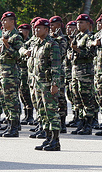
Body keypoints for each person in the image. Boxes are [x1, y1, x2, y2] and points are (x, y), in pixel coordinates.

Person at [30, 18, 62, 151]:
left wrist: (55, 84)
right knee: (42, 112)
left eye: (39, 28)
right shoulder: (37, 44)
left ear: (47, 30)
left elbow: (56, 66)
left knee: (51, 112)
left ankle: (55, 140)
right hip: (37, 82)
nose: (36, 30)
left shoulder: (52, 44)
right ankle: (48, 138)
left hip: (48, 83)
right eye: (35, 28)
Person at [0, 12, 24, 137]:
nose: (3, 23)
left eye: (5, 20)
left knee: (12, 100)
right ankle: (9, 124)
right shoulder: (3, 35)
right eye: (2, 20)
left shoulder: (16, 37)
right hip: (2, 73)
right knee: (4, 100)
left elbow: (19, 56)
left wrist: (6, 44)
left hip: (11, 73)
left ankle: (14, 127)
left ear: (12, 21)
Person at [70, 14, 96, 135]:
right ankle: (81, 123)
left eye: (81, 22)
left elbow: (91, 53)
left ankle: (88, 125)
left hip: (85, 73)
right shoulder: (78, 36)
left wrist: (77, 50)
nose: (78, 24)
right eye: (77, 22)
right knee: (77, 99)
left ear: (88, 24)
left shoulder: (89, 36)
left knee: (87, 99)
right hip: (76, 71)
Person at [49, 16, 68, 133]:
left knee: (60, 97)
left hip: (59, 72)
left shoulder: (62, 39)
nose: (52, 27)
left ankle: (62, 122)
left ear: (60, 25)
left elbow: (60, 53)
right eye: (50, 25)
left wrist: (54, 39)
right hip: (50, 71)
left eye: (54, 24)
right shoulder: (49, 38)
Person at [17, 23, 34, 125]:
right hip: (20, 70)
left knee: (27, 92)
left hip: (27, 70)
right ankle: (26, 114)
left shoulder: (30, 42)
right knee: (22, 92)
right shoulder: (21, 42)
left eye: (22, 31)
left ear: (27, 32)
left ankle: (30, 115)